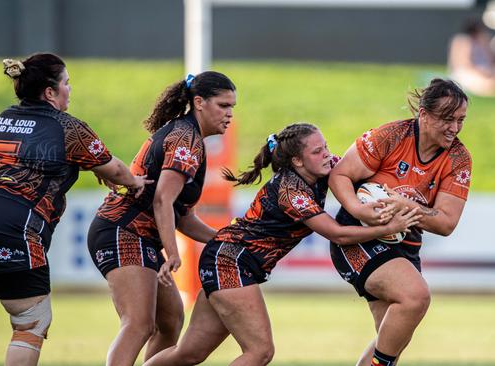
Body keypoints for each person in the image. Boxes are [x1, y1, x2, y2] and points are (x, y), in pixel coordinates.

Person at [143, 122, 422, 366]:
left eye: (325, 146)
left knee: (190, 353)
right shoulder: (291, 191)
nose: (327, 154)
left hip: (228, 260)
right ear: (298, 161)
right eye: (317, 151)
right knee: (260, 352)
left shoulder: (323, 168)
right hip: (230, 261)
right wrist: (389, 227)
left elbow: (358, 169)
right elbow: (338, 234)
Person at [0, 53, 148, 366]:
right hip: (13, 232)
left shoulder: (2, 119)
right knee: (30, 322)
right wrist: (135, 182)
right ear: (50, 92)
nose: (70, 89)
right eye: (66, 83)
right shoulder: (68, 128)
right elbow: (115, 170)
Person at [87, 71, 236, 366]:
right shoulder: (186, 139)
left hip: (137, 237)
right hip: (123, 231)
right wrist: (172, 253)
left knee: (170, 321)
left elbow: (182, 217)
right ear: (199, 103)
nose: (229, 114)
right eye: (223, 105)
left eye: (232, 107)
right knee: (139, 323)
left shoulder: (190, 137)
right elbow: (162, 199)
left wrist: (223, 239)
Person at [329, 78, 472, 366]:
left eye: (460, 120)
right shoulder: (391, 136)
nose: (454, 128)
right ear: (424, 115)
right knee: (415, 297)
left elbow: (445, 223)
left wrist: (407, 205)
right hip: (359, 237)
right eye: (447, 119)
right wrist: (360, 209)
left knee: (392, 339)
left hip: (403, 246)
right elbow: (340, 175)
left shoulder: (458, 159)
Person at [448, 18, 495, 97]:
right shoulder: (463, 41)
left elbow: (493, 60)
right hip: (467, 72)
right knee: (490, 86)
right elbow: (464, 64)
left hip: (485, 70)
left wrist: (486, 45)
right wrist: (482, 72)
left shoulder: (483, 41)